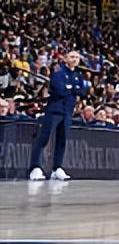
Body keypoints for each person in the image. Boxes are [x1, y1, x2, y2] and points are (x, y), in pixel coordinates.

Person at [28, 49, 88, 181]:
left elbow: (83, 92)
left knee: (62, 140)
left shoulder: (78, 75)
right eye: (72, 57)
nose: (74, 59)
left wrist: (71, 88)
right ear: (65, 59)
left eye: (77, 57)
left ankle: (57, 168)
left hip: (68, 111)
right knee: (44, 138)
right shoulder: (58, 73)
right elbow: (60, 90)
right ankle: (35, 167)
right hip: (55, 110)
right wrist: (74, 89)